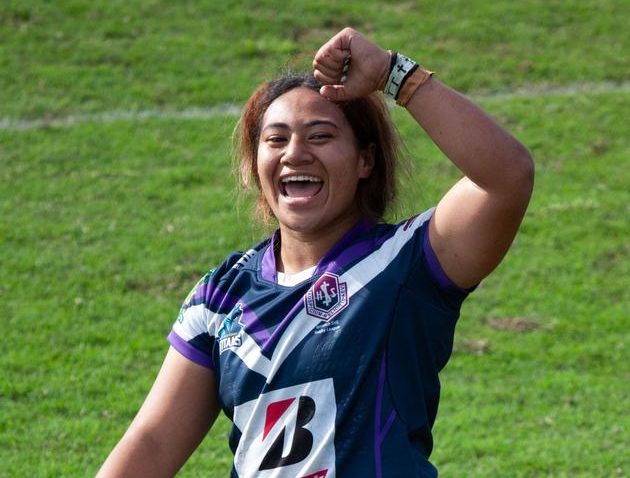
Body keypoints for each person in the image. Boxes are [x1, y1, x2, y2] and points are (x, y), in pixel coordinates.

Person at [98, 27, 534, 477]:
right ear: (254, 165)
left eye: (320, 136)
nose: (295, 153)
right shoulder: (221, 296)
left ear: (366, 160)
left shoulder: (407, 263)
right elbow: (150, 444)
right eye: (275, 139)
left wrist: (391, 73)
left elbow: (507, 178)